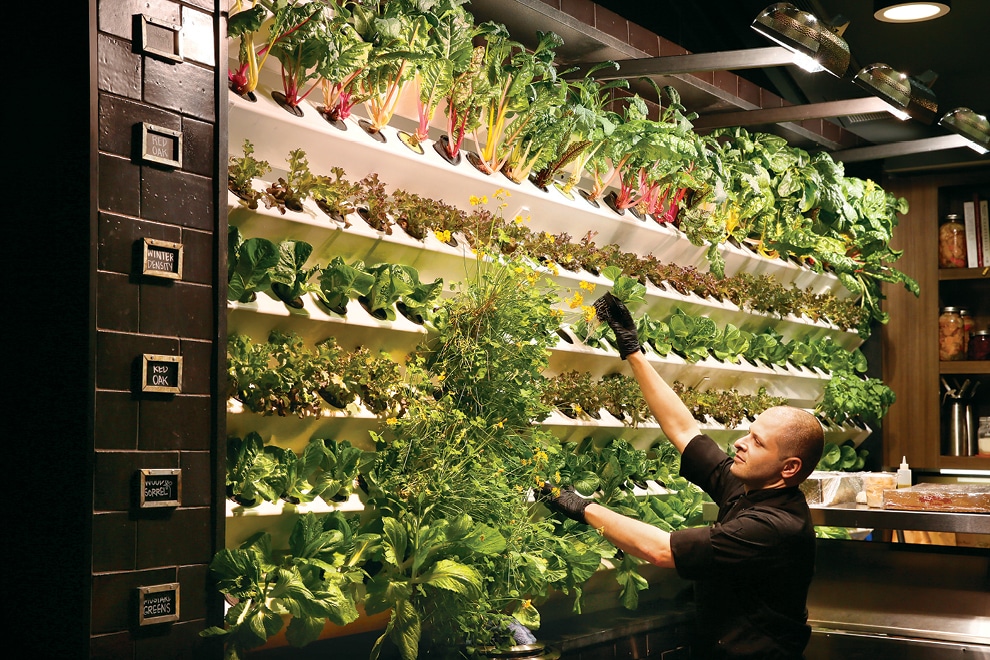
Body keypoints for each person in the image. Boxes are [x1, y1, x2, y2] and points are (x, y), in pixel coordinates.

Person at [542, 292, 825, 660]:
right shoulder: (749, 485)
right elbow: (684, 430)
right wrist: (633, 350)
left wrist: (581, 507)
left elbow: (661, 550)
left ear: (789, 468)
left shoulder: (775, 526)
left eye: (757, 442)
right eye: (747, 432)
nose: (739, 443)